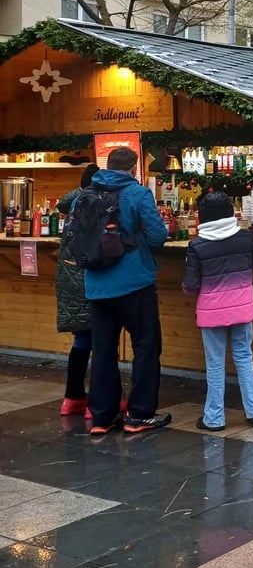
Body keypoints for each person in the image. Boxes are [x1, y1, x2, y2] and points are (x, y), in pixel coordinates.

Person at [83, 147, 171, 434]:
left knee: (103, 351)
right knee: (145, 347)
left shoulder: (85, 194)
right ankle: (140, 415)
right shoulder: (138, 193)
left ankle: (101, 418)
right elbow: (158, 235)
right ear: (134, 167)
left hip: (97, 286)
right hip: (135, 283)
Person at [183, 192, 253, 430]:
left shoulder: (197, 245)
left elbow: (191, 286)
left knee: (215, 364)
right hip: (242, 309)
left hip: (211, 313)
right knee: (244, 356)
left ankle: (214, 418)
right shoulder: (245, 238)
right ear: (230, 213)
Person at [56, 164, 98, 416]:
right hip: (89, 280)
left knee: (82, 340)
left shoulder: (72, 204)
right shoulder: (96, 205)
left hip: (68, 281)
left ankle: (72, 397)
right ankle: (98, 403)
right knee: (103, 341)